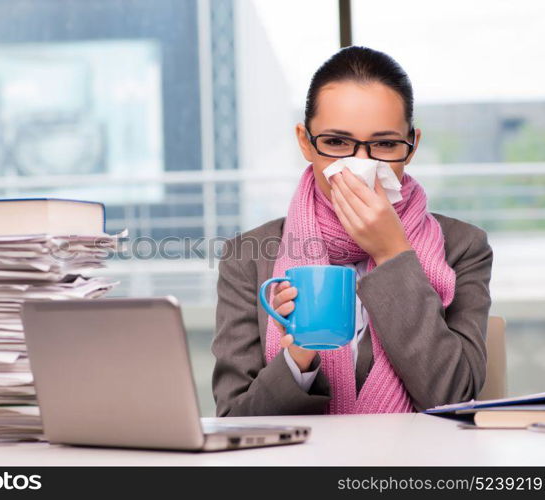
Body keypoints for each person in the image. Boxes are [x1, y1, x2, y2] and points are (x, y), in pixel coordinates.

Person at [211, 46, 493, 416]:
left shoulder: (462, 246)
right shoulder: (251, 255)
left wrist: (393, 253)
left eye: (385, 144)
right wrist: (298, 356)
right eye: (336, 142)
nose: (361, 165)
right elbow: (234, 420)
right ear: (305, 142)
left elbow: (454, 397)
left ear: (411, 147)